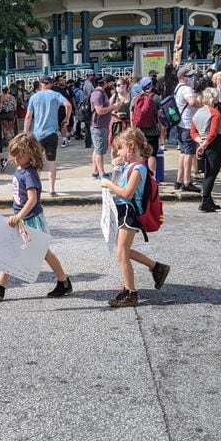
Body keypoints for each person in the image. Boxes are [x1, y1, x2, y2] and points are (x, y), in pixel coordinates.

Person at [0, 133, 72, 301]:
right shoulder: (21, 170)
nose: (17, 157)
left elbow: (33, 198)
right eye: (15, 154)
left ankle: (64, 282)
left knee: (44, 252)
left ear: (31, 153)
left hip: (30, 219)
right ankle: (0, 287)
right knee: (11, 249)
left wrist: (19, 216)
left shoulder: (29, 173)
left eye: (21, 154)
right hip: (23, 218)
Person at [100, 128, 170, 307]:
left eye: (120, 148)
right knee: (122, 251)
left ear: (130, 147)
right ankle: (156, 267)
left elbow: (127, 193)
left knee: (122, 252)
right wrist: (117, 167)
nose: (118, 152)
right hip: (124, 212)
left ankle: (131, 292)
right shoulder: (131, 166)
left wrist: (107, 183)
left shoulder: (138, 168)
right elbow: (120, 185)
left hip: (130, 213)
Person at [24, 75, 72, 197]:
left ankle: (36, 188)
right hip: (51, 133)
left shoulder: (34, 97)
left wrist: (25, 132)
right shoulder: (55, 95)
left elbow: (28, 116)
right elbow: (68, 104)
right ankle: (52, 189)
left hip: (37, 134)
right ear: (50, 84)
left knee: (36, 163)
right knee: (52, 163)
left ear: (40, 84)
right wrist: (66, 119)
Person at [191, 88, 221, 212]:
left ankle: (208, 199)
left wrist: (199, 141)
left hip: (202, 142)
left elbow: (193, 131)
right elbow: (214, 132)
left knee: (207, 172)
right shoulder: (214, 113)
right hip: (213, 144)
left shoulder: (198, 112)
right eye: (216, 97)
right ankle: (205, 200)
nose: (218, 100)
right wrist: (204, 143)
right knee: (211, 173)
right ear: (213, 99)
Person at [174, 65, 202, 192]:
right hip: (187, 124)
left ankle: (179, 180)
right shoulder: (186, 89)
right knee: (189, 153)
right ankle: (187, 181)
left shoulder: (177, 88)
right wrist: (202, 106)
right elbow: (191, 102)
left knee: (183, 152)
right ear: (183, 77)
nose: (191, 78)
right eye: (189, 76)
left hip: (180, 123)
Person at [90, 74, 117, 180]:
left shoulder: (101, 93)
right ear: (106, 82)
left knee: (97, 149)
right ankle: (101, 173)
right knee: (99, 150)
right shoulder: (98, 94)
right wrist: (113, 107)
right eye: (111, 82)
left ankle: (96, 172)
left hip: (100, 125)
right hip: (98, 126)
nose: (112, 85)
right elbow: (99, 111)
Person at [109, 76, 133, 145]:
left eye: (119, 85)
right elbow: (107, 109)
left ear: (125, 85)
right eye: (116, 85)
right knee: (116, 144)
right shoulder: (115, 96)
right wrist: (115, 113)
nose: (117, 87)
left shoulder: (132, 96)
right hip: (117, 125)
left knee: (128, 144)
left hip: (129, 124)